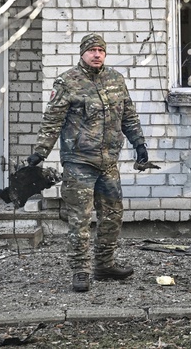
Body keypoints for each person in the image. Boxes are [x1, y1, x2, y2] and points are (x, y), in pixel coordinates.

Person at [27, 33, 149, 292]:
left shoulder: (116, 80)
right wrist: (41, 152)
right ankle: (81, 271)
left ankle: (104, 265)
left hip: (108, 162)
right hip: (79, 161)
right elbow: (52, 120)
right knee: (80, 219)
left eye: (101, 51)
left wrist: (139, 144)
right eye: (92, 50)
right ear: (82, 53)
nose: (96, 55)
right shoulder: (67, 82)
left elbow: (128, 115)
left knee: (112, 216)